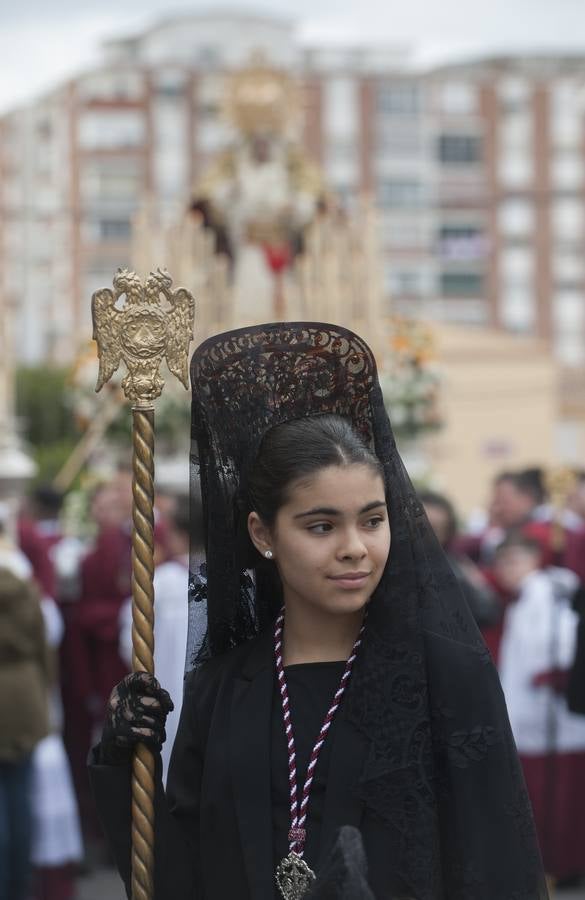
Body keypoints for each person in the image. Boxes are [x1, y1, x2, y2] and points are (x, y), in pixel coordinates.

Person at [89, 323, 547, 899]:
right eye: (322, 525)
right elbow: (181, 875)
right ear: (263, 533)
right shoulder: (225, 686)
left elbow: (496, 868)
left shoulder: (445, 677)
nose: (355, 546)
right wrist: (123, 760)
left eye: (373, 520)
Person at [494, 532, 585, 883]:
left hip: (550, 717)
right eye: (503, 562)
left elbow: (563, 642)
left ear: (534, 560)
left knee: (556, 795)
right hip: (528, 712)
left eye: (515, 560)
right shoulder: (524, 597)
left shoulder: (546, 593)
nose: (507, 569)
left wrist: (553, 671)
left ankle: (560, 865)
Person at [119, 492, 205, 783]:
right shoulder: (236, 581)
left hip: (164, 702)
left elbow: (128, 645)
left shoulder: (158, 583)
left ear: (176, 533)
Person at [0, 518, 50, 900]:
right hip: (23, 694)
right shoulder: (22, 582)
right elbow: (40, 641)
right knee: (19, 799)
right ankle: (20, 884)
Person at [419, 490, 499, 628]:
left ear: (446, 535)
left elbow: (487, 610)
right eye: (420, 525)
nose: (423, 534)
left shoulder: (454, 569)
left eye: (434, 529)